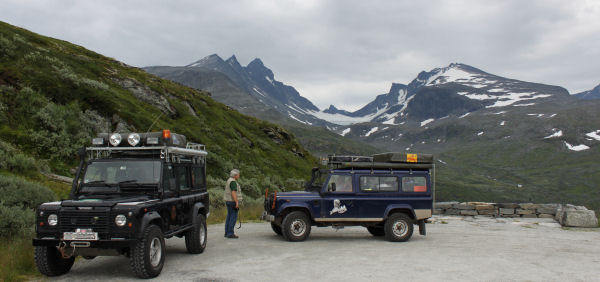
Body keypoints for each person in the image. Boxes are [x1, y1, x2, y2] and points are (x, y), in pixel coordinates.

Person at [224, 169, 242, 239]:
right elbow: (233, 192)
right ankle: (230, 233)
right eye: (238, 174)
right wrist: (236, 202)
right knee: (233, 217)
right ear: (235, 175)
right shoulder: (233, 182)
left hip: (228, 201)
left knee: (229, 217)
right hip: (232, 201)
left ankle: (227, 232)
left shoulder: (229, 180)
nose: (239, 175)